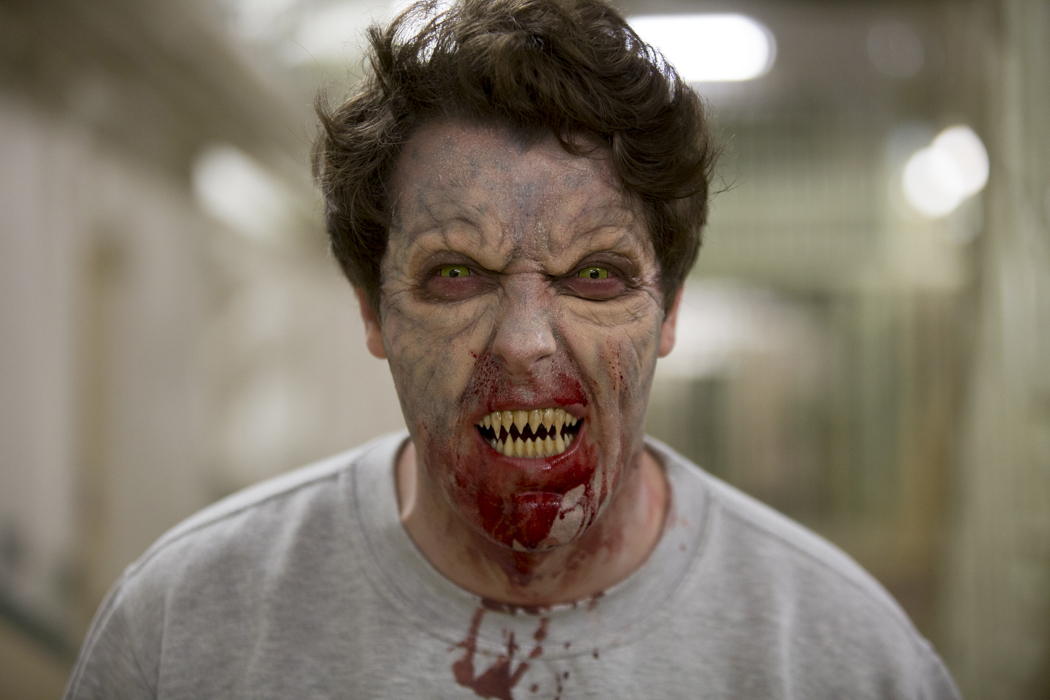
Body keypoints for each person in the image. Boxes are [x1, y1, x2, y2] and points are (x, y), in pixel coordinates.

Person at [65, 0, 960, 697]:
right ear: (372, 311)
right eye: (456, 274)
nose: (527, 344)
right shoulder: (184, 629)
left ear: (670, 309)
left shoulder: (846, 657)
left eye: (595, 275)